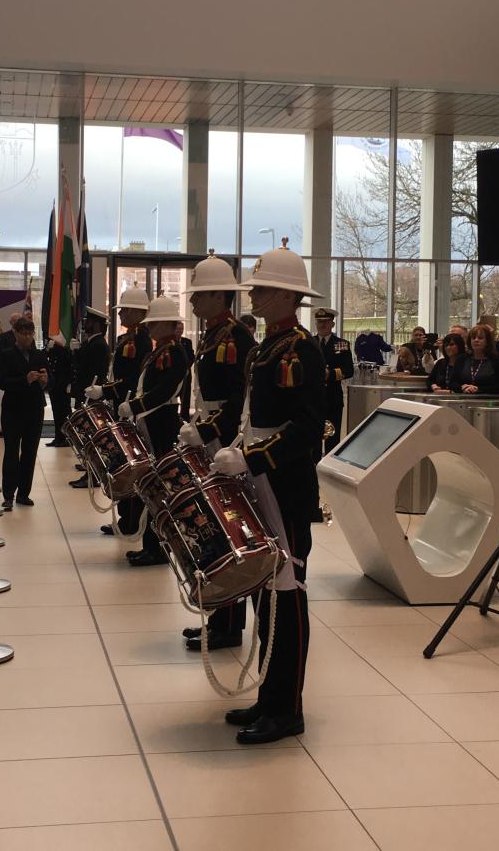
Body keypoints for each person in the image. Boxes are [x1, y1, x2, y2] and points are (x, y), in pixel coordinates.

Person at [215, 238, 323, 745]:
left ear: (285, 296)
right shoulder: (265, 347)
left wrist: (254, 456)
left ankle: (288, 707)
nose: (253, 296)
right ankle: (269, 695)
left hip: (285, 485)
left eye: (262, 289)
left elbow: (305, 428)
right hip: (260, 482)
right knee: (266, 593)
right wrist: (238, 450)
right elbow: (253, 416)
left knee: (289, 595)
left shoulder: (302, 348)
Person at [177, 252, 257, 651]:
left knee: (228, 527)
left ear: (217, 297)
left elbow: (237, 398)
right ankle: (221, 618)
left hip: (223, 442)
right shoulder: (212, 335)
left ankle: (229, 625)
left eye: (198, 296)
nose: (191, 302)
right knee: (215, 529)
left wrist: (210, 434)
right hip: (206, 436)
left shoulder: (237, 337)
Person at [104, 295, 189, 566]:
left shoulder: (174, 352)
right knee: (151, 484)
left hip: (162, 422)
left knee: (158, 487)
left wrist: (136, 405)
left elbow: (165, 391)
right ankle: (151, 546)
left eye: (154, 323)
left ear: (167, 323)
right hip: (151, 421)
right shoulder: (159, 350)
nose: (149, 327)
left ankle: (158, 549)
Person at [90, 284, 153, 535]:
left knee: (131, 465)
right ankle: (126, 518)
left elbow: (130, 380)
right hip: (121, 405)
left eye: (125, 310)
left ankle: (131, 520)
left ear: (139, 313)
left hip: (130, 406)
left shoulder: (142, 340)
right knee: (122, 465)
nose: (120, 315)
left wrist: (106, 391)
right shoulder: (128, 338)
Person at [0, 316, 50, 509]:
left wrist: (44, 381)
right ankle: (8, 494)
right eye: (24, 333)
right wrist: (24, 380)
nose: (28, 337)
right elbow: (2, 382)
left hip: (35, 408)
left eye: (30, 333)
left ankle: (24, 493)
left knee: (30, 451)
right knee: (11, 451)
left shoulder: (39, 355)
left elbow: (47, 379)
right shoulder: (7, 354)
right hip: (13, 409)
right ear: (16, 334)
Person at [69, 308, 112, 489]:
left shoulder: (99, 344)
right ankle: (89, 466)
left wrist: (77, 352)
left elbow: (91, 371)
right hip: (85, 393)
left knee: (91, 436)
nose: (85, 323)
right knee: (86, 435)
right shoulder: (92, 343)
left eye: (89, 321)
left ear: (96, 325)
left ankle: (92, 474)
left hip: (91, 395)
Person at [312, 307, 353, 455]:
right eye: (319, 322)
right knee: (313, 438)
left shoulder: (341, 344)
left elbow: (349, 370)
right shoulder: (310, 343)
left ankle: (329, 467)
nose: (322, 325)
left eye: (326, 322)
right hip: (313, 398)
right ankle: (313, 467)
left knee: (332, 438)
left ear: (332, 324)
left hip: (332, 398)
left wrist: (329, 374)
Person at [450, 324, 499, 395]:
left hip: (489, 401)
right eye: (473, 338)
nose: (476, 340)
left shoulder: (496, 360)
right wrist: (462, 387)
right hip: (463, 399)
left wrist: (479, 389)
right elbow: (452, 382)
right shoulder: (461, 359)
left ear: (487, 341)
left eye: (480, 338)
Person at [45, 332, 74, 447]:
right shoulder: (53, 347)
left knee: (64, 412)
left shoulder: (65, 348)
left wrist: (68, 383)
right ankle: (58, 437)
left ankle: (66, 438)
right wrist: (47, 349)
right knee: (56, 412)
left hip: (62, 385)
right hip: (54, 384)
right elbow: (50, 362)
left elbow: (69, 366)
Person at [175, 320, 195, 421]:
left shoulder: (187, 342)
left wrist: (187, 367)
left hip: (186, 375)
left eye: (181, 329)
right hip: (175, 375)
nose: (180, 331)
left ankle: (185, 417)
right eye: (178, 329)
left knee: (185, 398)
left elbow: (192, 357)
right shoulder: (171, 343)